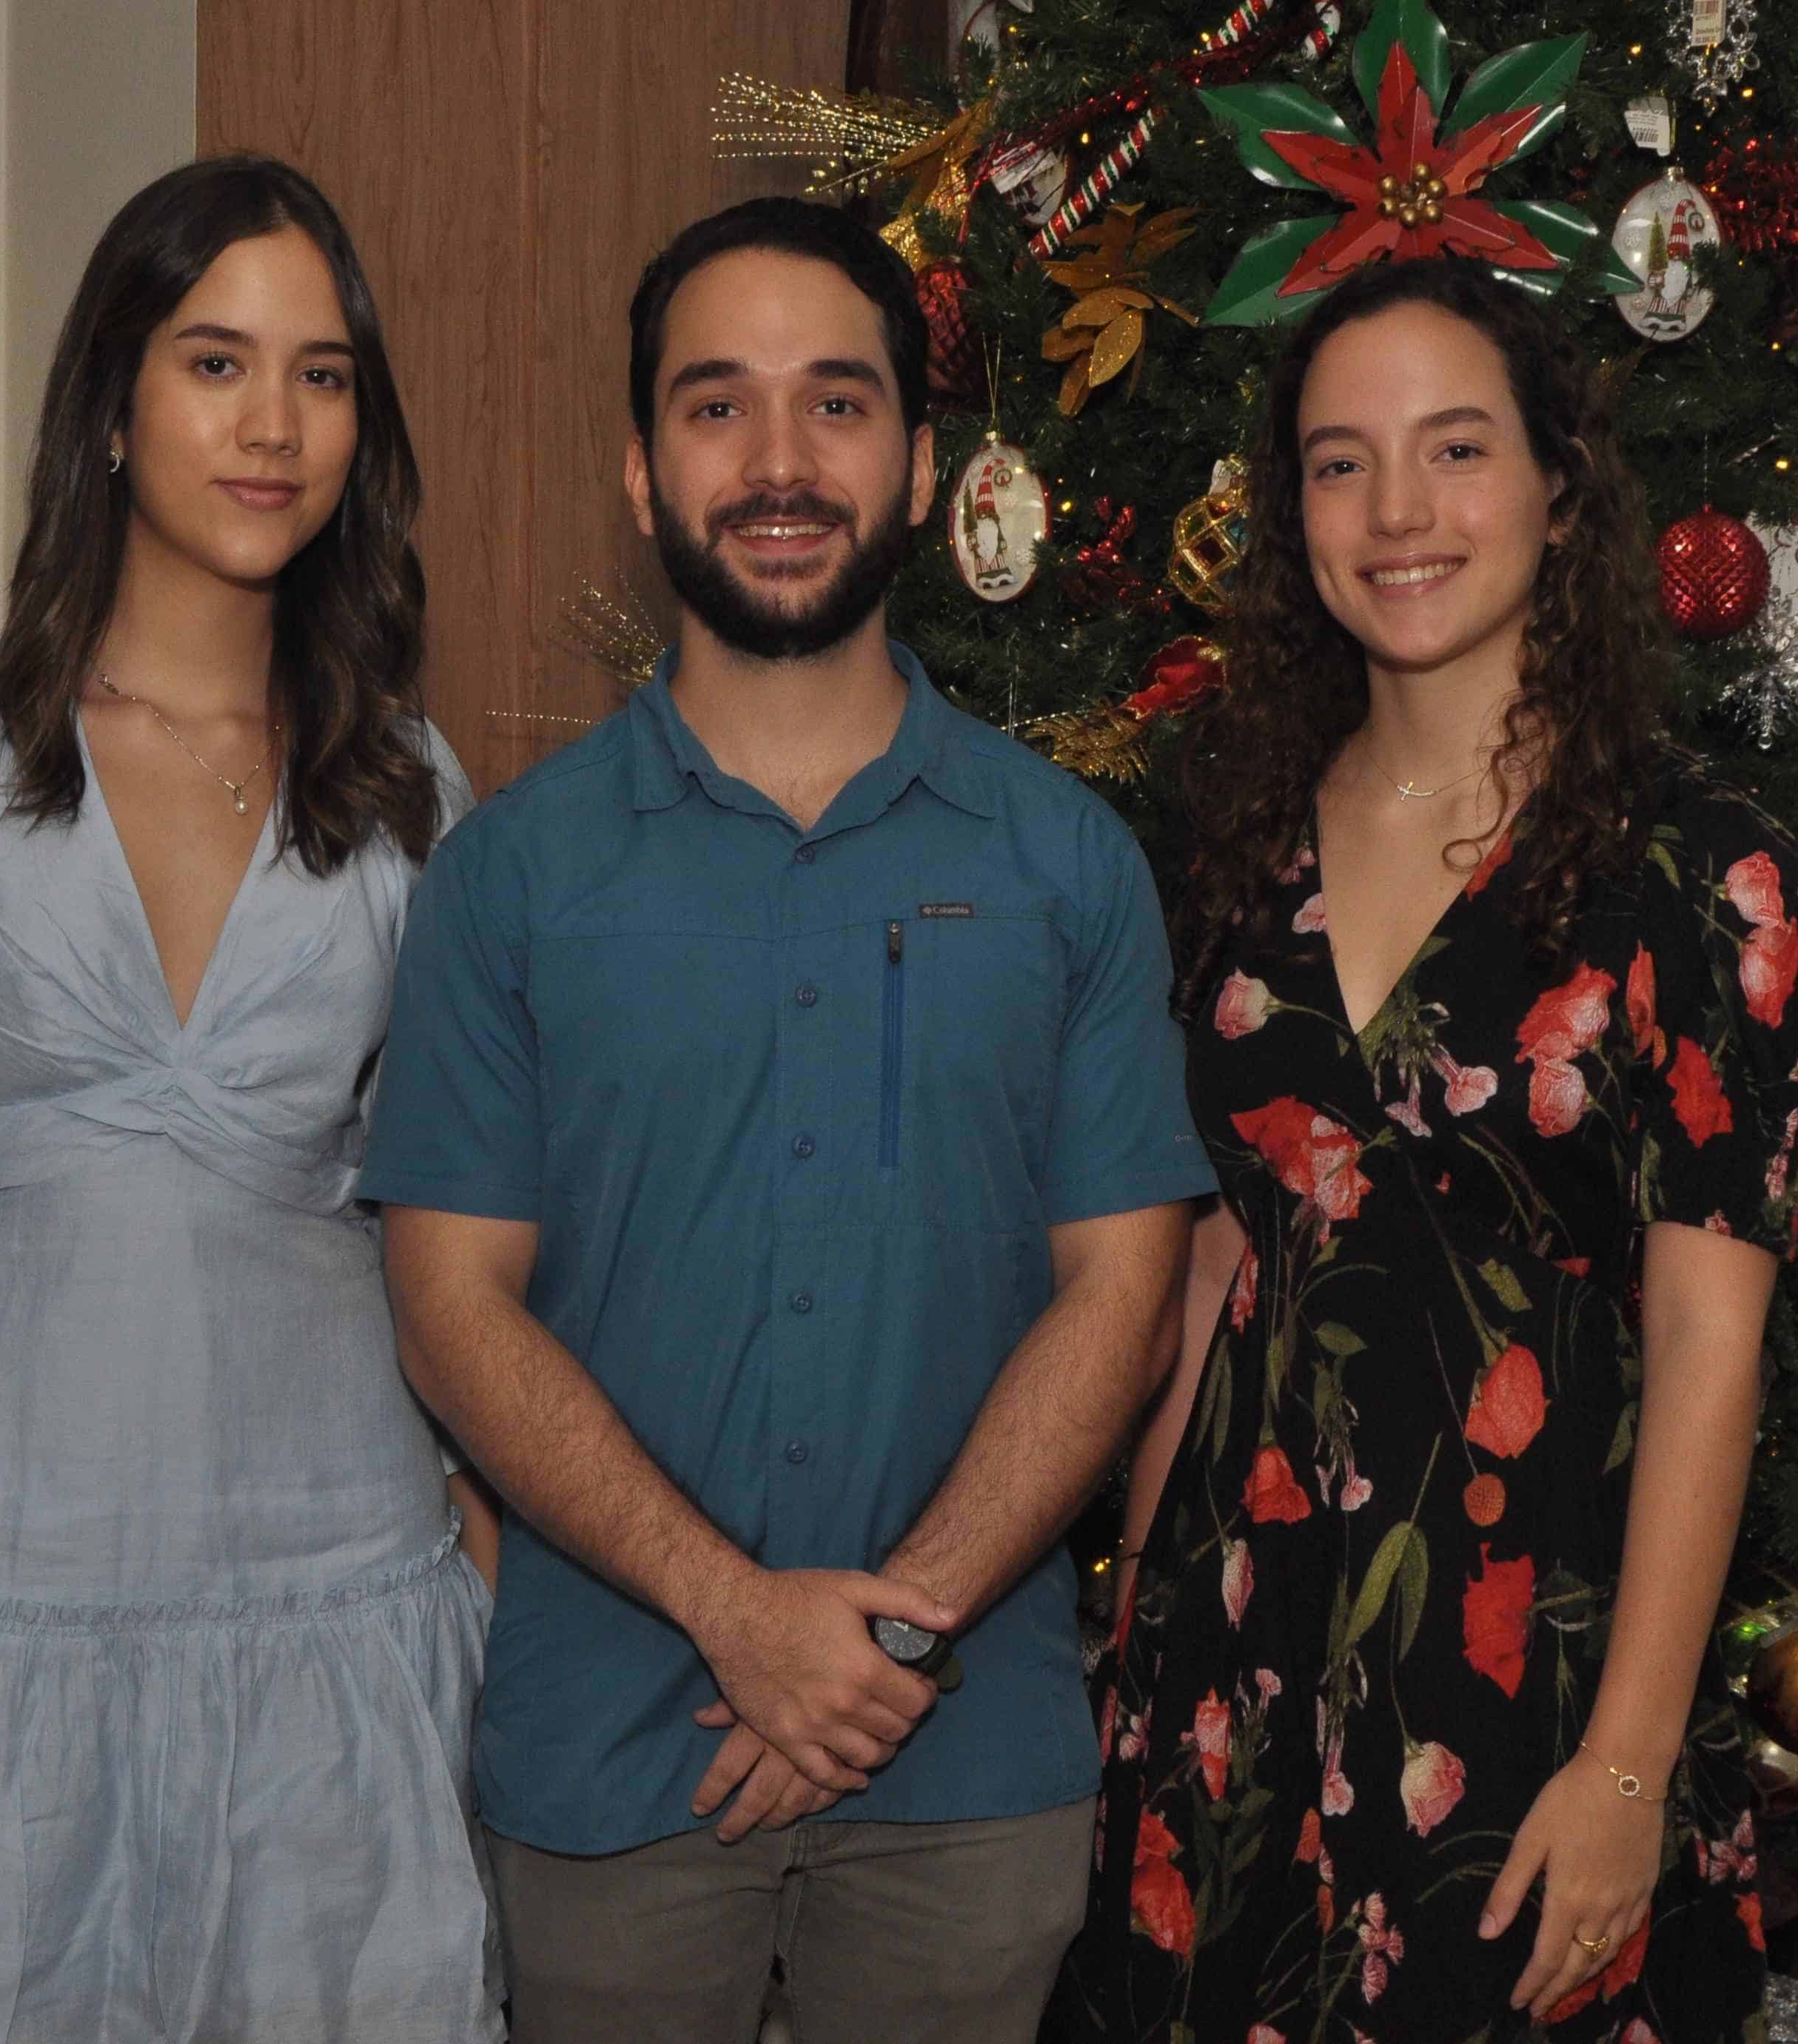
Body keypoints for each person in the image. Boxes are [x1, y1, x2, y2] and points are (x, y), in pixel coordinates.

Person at [358, 195, 1214, 2044]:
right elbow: (448, 1304)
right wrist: (736, 1615)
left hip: (966, 1771)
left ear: (919, 464)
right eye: (715, 404)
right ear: (640, 472)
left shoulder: (1066, 863)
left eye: (835, 405)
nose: (776, 462)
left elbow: (1124, 1294)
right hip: (611, 1760)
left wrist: (888, 1631)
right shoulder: (508, 880)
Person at [0, 155, 499, 2041]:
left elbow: (461, 1217)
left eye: (322, 376)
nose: (270, 423)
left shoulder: (409, 789)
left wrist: (477, 1553)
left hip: (341, 1606)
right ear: (117, 399)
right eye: (215, 361)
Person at [1053, 258, 1798, 2043]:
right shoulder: (1226, 846)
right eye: (1342, 462)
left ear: (1560, 489)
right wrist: (1132, 1635)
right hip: (1227, 1667)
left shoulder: (1700, 876)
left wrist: (1631, 1769)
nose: (1398, 511)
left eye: (1456, 447)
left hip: (1531, 1685)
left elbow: (1715, 1348)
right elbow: (1205, 1266)